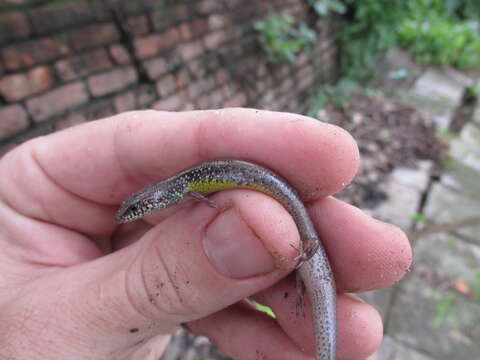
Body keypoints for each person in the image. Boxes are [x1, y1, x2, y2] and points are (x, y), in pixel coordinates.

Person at [0, 108, 411, 360]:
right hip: (286, 215)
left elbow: (202, 193)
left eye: (134, 210)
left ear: (150, 203)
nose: (129, 215)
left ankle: (307, 264)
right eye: (131, 210)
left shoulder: (184, 188)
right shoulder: (178, 187)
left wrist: (211, 207)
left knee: (293, 236)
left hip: (291, 216)